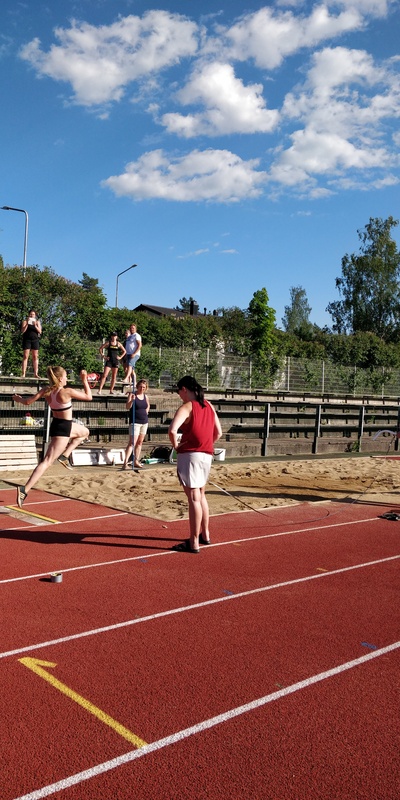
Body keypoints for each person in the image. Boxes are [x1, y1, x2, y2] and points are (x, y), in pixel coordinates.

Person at [12, 366, 92, 508]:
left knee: (85, 432)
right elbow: (89, 397)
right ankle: (25, 489)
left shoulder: (46, 390)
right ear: (60, 379)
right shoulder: (67, 392)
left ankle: (65, 456)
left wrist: (18, 399)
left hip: (58, 424)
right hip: (64, 428)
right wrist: (85, 380)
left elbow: (28, 402)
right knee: (47, 462)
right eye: (66, 376)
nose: (67, 379)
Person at [168, 375, 222, 553]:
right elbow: (218, 433)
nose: (179, 396)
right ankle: (205, 534)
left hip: (190, 454)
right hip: (206, 454)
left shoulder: (187, 407)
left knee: (194, 498)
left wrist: (176, 446)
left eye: (179, 392)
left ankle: (193, 542)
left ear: (184, 389)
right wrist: (206, 443)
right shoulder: (209, 405)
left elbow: (172, 430)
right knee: (201, 495)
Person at [122, 379, 150, 470]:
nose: (142, 388)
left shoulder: (145, 396)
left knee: (140, 442)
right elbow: (127, 407)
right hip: (135, 422)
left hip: (144, 421)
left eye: (144, 387)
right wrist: (132, 401)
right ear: (137, 386)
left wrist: (146, 412)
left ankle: (136, 460)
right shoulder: (132, 395)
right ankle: (125, 463)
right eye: (140, 387)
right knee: (132, 443)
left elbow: (147, 406)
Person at [21, 309, 42, 378]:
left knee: (35, 356)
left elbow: (40, 331)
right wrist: (27, 323)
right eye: (30, 314)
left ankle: (36, 373)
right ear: (28, 315)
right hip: (27, 340)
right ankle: (23, 373)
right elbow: (23, 331)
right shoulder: (25, 321)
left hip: (35, 340)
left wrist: (35, 325)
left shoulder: (37, 322)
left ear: (35, 315)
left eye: (33, 314)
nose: (31, 315)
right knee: (25, 356)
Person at [122, 323, 142, 388]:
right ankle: (134, 383)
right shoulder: (130, 336)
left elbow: (140, 345)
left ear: (135, 329)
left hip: (134, 354)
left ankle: (126, 379)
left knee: (130, 365)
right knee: (131, 369)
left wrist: (134, 353)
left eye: (133, 328)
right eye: (131, 328)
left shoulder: (136, 335)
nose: (131, 329)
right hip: (128, 354)